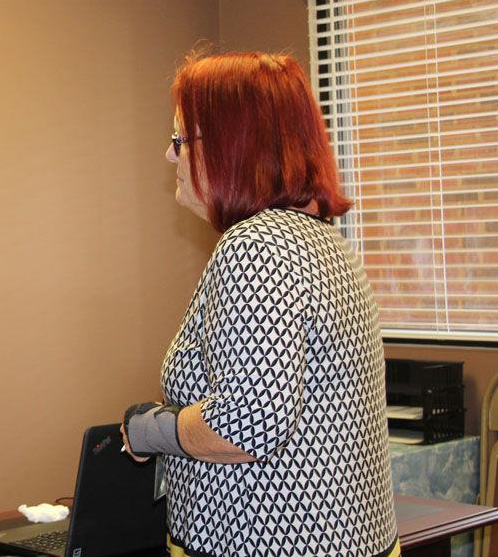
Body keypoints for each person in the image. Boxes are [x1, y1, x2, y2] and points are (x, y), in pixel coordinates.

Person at [120, 52, 399, 556]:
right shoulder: (323, 242)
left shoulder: (258, 245)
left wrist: (147, 428)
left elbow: (245, 426)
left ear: (232, 148)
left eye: (181, 140)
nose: (169, 155)